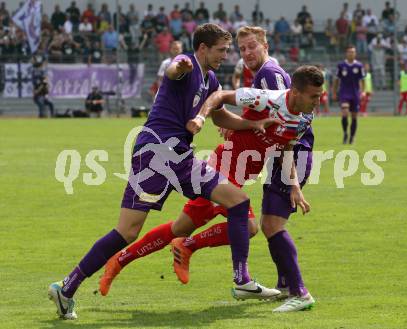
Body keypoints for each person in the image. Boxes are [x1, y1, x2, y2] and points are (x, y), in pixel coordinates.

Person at [48, 23, 279, 320]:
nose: (226, 55)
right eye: (221, 50)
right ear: (203, 48)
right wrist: (176, 64)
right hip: (155, 154)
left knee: (238, 201)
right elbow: (174, 70)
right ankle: (66, 287)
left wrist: (252, 124)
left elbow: (221, 115)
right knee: (127, 231)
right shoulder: (185, 66)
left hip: (180, 157)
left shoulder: (209, 80)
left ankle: (242, 280)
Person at [100, 27, 320, 313]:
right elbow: (230, 101)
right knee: (247, 225)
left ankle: (124, 260)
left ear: (265, 45)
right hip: (225, 168)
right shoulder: (273, 84)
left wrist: (293, 183)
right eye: (242, 49)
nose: (245, 53)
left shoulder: (273, 81)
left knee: (181, 227)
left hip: (235, 169)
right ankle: (190, 252)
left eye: (250, 46)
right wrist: (214, 119)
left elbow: (282, 134)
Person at [332, 45, 365, 144]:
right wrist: (334, 92)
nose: (351, 53)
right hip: (344, 93)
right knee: (345, 113)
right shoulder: (341, 65)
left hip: (355, 93)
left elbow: (362, 80)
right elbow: (336, 80)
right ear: (346, 53)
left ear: (355, 54)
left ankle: (352, 136)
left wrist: (362, 92)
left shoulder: (359, 66)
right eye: (349, 52)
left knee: (354, 116)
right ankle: (345, 133)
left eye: (353, 52)